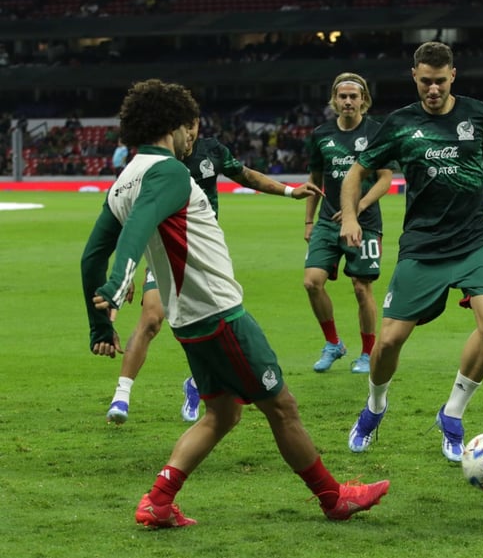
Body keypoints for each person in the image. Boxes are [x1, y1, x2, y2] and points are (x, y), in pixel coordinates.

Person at [81, 79, 389, 528]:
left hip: (188, 321)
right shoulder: (168, 172)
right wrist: (115, 286)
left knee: (222, 414)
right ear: (175, 127)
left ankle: (158, 500)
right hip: (220, 315)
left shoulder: (124, 179)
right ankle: (333, 497)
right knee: (282, 407)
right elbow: (136, 231)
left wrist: (98, 325)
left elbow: (91, 253)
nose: (194, 135)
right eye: (190, 127)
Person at [338, 41, 483, 462]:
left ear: (453, 76)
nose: (433, 89)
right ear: (414, 77)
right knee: (388, 343)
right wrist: (350, 216)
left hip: (477, 238)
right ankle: (374, 407)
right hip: (423, 244)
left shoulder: (479, 116)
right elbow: (356, 173)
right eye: (426, 81)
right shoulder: (400, 124)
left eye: (440, 81)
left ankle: (452, 414)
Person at [103, 116, 323, 425]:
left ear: (197, 126)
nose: (188, 133)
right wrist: (127, 271)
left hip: (205, 259)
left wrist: (289, 192)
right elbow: (138, 220)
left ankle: (197, 384)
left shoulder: (212, 151)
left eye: (192, 125)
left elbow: (246, 176)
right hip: (165, 256)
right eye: (182, 126)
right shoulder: (154, 165)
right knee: (152, 319)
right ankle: (121, 396)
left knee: (211, 322)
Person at [303, 72, 394, 374]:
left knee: (361, 287)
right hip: (328, 221)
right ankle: (334, 344)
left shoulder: (376, 132)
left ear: (364, 100)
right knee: (311, 282)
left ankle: (368, 353)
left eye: (353, 96)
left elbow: (386, 179)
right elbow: (315, 180)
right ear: (334, 100)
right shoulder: (321, 135)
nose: (348, 102)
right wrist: (308, 221)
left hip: (366, 222)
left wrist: (356, 207)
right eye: (342, 96)